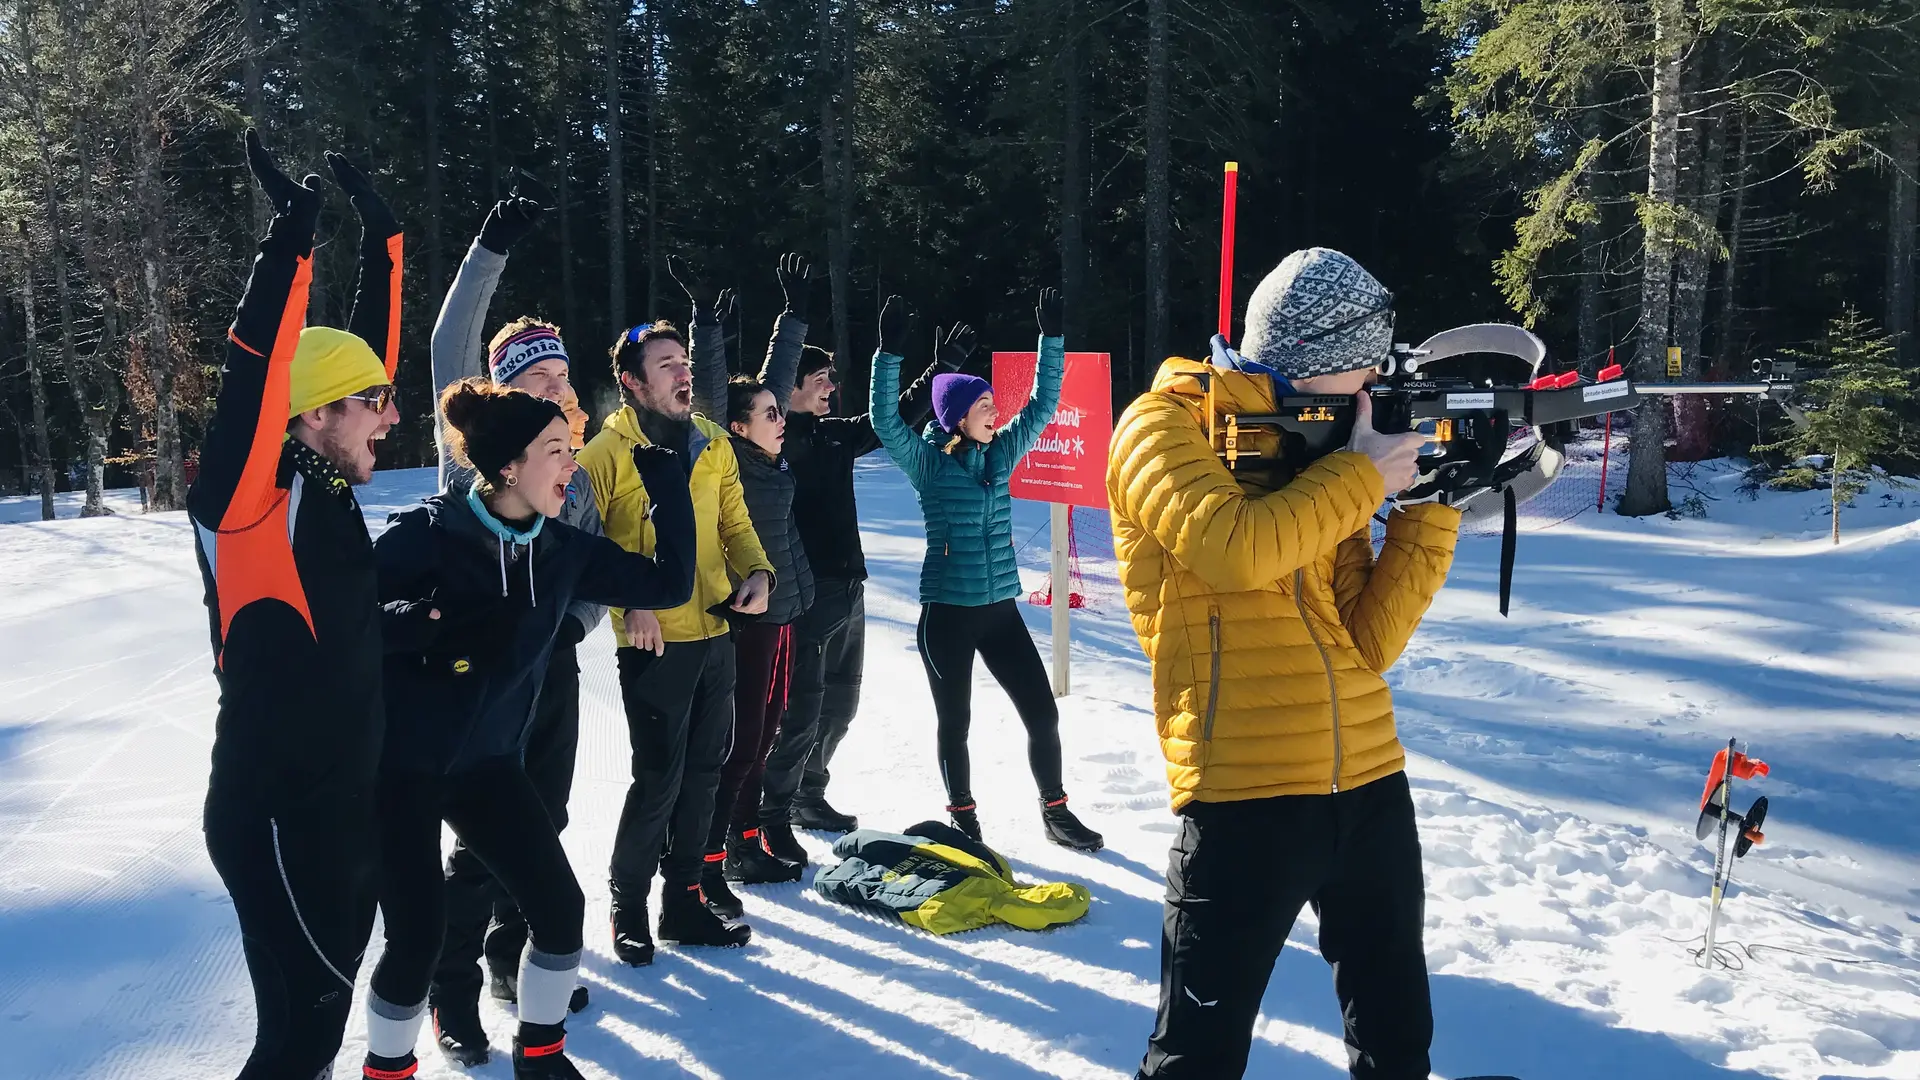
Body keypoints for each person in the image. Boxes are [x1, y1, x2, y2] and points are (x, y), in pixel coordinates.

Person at [1105, 247, 1456, 1079]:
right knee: (1196, 1059)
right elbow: (1233, 550)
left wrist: (1429, 509)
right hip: (1244, 796)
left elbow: (1366, 643)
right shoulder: (1160, 427)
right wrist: (1361, 472)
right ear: (1315, 359)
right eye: (1362, 368)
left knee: (1398, 1043)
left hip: (1370, 783)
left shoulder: (1322, 457)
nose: (1373, 386)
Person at [364, 379, 695, 1080]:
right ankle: (386, 1071)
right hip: (401, 769)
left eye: (571, 449)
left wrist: (670, 491)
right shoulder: (428, 534)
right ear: (508, 467)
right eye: (555, 451)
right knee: (416, 939)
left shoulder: (562, 550)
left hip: (488, 764)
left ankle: (540, 1057)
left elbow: (668, 586)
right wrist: (426, 629)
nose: (571, 464)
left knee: (557, 906)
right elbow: (346, 620)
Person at [189, 132, 402, 1079]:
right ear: (313, 413)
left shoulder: (328, 483)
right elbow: (259, 372)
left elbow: (361, 359)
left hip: (340, 807)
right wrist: (291, 248)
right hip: (279, 818)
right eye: (375, 403)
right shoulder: (248, 503)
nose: (394, 417)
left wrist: (386, 241)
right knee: (299, 1039)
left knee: (311, 1034)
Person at [424, 181, 609, 1064]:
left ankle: (512, 956)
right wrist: (487, 251)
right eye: (535, 377)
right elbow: (448, 348)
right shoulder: (474, 460)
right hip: (472, 679)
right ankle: (448, 989)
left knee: (549, 819)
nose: (554, 387)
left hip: (551, 667)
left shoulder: (575, 468)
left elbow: (596, 563)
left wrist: (573, 626)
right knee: (475, 846)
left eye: (562, 374)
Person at [869, 289, 1103, 852]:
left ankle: (1055, 810)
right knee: (957, 723)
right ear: (955, 418)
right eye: (984, 408)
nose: (996, 414)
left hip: (1000, 612)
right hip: (948, 614)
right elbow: (884, 422)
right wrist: (888, 355)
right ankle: (964, 819)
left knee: (1042, 713)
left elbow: (1043, 406)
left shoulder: (1001, 454)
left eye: (995, 406)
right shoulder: (928, 463)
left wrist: (1052, 340)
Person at [581, 302, 776, 964]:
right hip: (652, 644)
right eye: (666, 365)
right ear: (633, 383)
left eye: (684, 362)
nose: (682, 373)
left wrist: (758, 571)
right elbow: (584, 550)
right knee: (658, 779)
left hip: (716, 632)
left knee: (705, 774)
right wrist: (626, 601)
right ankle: (627, 906)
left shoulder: (712, 442)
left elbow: (735, 522)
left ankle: (684, 902)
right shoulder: (605, 455)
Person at [755, 305, 966, 859]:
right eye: (818, 380)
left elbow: (888, 419)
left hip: (849, 587)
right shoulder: (772, 446)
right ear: (790, 389)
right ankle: (768, 804)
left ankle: (810, 791)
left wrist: (938, 369)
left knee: (841, 706)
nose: (830, 388)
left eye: (831, 379)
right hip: (804, 592)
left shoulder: (832, 435)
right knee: (802, 707)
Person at [680, 255, 819, 916]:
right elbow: (711, 390)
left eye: (776, 409)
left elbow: (777, 377)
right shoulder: (726, 452)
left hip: (785, 609)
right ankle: (719, 854)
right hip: (750, 616)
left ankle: (745, 838)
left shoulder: (768, 455)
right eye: (766, 411)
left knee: (762, 737)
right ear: (737, 426)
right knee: (740, 742)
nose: (779, 413)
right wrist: (706, 322)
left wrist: (792, 316)